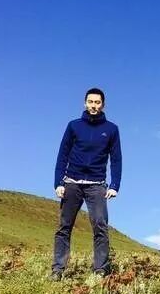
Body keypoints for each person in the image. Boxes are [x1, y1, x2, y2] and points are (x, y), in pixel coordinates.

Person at [51, 87, 122, 280]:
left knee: (100, 226)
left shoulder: (111, 129)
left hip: (96, 184)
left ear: (103, 105)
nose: (93, 106)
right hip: (72, 182)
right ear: (85, 103)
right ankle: (58, 269)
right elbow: (62, 155)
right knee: (64, 226)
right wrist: (58, 182)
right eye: (90, 102)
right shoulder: (73, 126)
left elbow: (116, 159)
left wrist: (115, 185)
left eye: (97, 102)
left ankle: (100, 270)